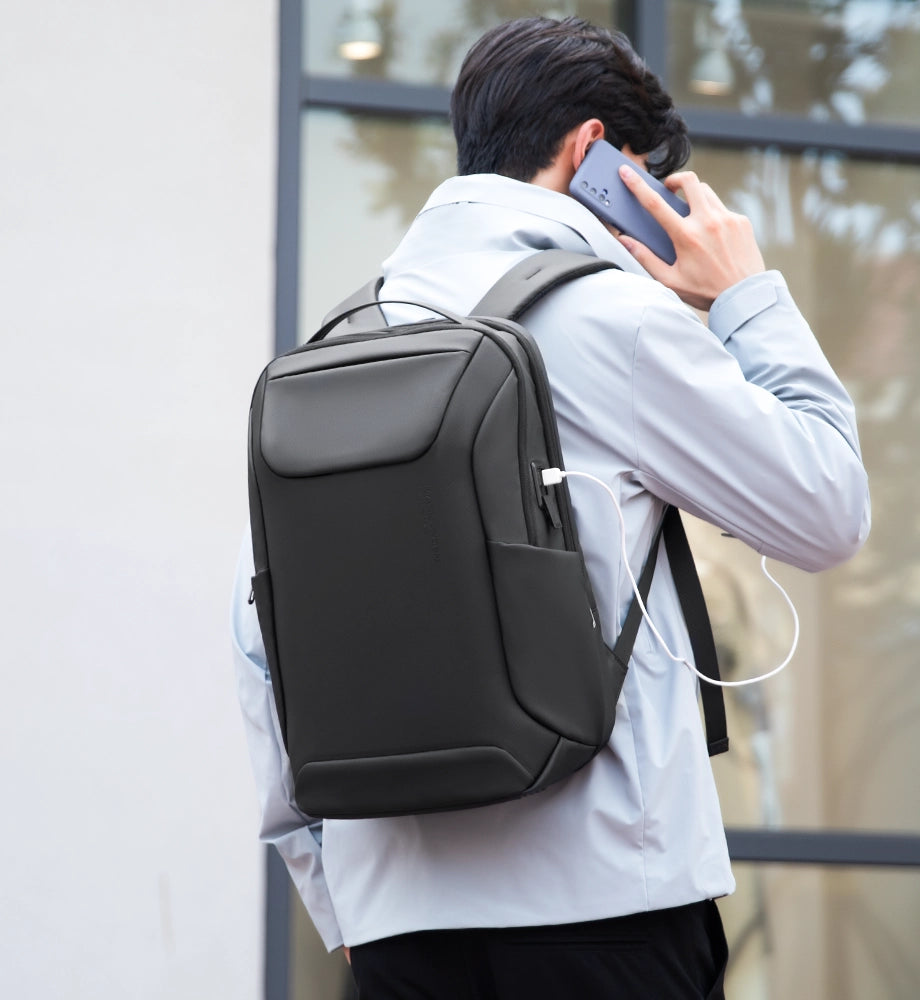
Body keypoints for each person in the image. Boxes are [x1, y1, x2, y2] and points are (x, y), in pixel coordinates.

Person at [231, 15, 871, 999]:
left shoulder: (341, 343)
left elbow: (260, 635)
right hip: (606, 912)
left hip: (399, 928)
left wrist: (339, 898)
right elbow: (826, 506)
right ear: (593, 153)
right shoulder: (610, 317)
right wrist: (746, 294)